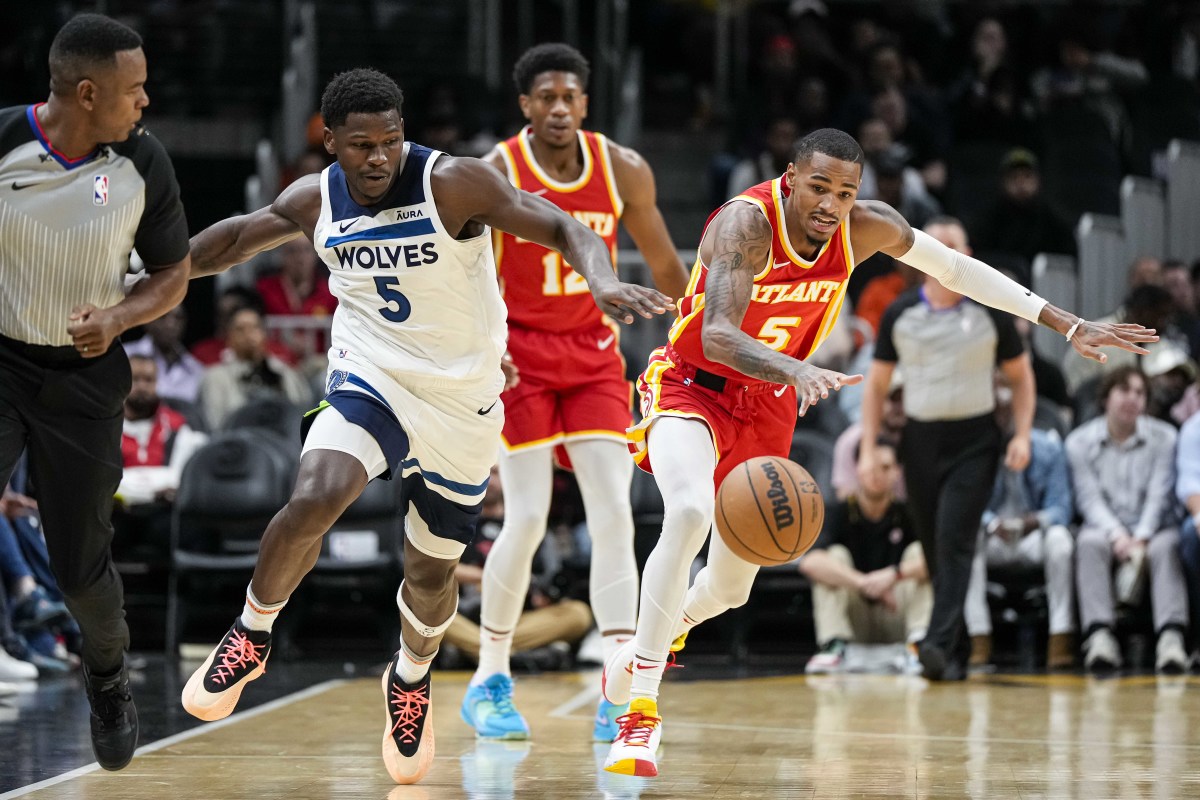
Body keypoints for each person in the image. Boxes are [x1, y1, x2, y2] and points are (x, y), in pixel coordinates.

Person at [599, 128, 1154, 778]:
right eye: (819, 187)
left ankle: (651, 640)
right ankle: (640, 712)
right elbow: (718, 333)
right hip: (695, 385)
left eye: (845, 192)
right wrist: (793, 367)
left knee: (729, 587)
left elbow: (955, 270)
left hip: (770, 403)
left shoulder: (867, 229)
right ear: (789, 177)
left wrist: (1064, 321)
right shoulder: (746, 224)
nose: (831, 204)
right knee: (689, 511)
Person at [178, 68, 669, 786]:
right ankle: (252, 633)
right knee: (316, 493)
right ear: (331, 143)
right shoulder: (316, 198)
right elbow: (225, 244)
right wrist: (140, 283)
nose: (378, 157)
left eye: (390, 140)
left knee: (430, 568)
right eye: (361, 145)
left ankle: (410, 678)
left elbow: (564, 224)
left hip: (461, 396)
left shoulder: (453, 183)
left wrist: (599, 280)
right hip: (370, 372)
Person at [464, 43, 689, 743]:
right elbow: (471, 274)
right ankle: (489, 678)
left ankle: (617, 688)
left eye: (570, 97)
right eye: (545, 98)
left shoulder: (622, 168)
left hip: (593, 355)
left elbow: (666, 266)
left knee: (614, 513)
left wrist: (698, 338)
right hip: (520, 358)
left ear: (584, 104)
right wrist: (483, 351)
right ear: (525, 106)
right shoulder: (498, 172)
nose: (559, 108)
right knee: (527, 518)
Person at [0, 14, 191, 771]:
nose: (144, 102)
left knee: (81, 569)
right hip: (3, 363)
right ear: (87, 92)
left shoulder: (145, 161)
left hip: (83, 382)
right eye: (133, 90)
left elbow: (173, 274)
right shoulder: (6, 139)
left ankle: (108, 678)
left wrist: (119, 317)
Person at [861, 218, 1039, 683]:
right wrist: (867, 448)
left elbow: (1020, 378)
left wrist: (1021, 434)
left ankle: (935, 645)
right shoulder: (900, 314)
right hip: (919, 441)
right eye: (936, 246)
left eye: (954, 246)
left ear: (968, 254)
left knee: (954, 537)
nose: (944, 253)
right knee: (935, 546)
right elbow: (876, 387)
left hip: (976, 441)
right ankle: (955, 648)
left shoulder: (991, 312)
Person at [1067, 367, 1188, 674]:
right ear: (1106, 398)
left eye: (1140, 393)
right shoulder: (1079, 442)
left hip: (1154, 527)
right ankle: (1099, 636)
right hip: (1107, 529)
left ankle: (1170, 638)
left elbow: (1159, 495)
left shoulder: (1166, 437)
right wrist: (1118, 535)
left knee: (1168, 545)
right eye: (1124, 391)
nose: (1132, 399)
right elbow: (1088, 499)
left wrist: (1143, 536)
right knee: (1088, 542)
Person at [963, 379, 1076, 671]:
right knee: (966, 537)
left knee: (1061, 540)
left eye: (1008, 411)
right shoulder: (976, 453)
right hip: (994, 539)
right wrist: (990, 524)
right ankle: (979, 637)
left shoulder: (1048, 447)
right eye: (996, 412)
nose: (1002, 419)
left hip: (1033, 538)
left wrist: (1034, 521)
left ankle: (1061, 637)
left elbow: (1062, 508)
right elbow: (967, 507)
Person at [800, 438, 930, 674]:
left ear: (898, 472)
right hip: (854, 616)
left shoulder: (909, 512)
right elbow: (810, 563)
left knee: (920, 553)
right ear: (857, 467)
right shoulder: (838, 511)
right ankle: (833, 645)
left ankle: (917, 645)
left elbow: (938, 562)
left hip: (896, 612)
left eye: (886, 467)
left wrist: (893, 576)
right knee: (832, 556)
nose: (877, 474)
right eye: (871, 466)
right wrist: (863, 583)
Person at [196, 305, 311, 429]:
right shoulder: (215, 378)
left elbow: (302, 415)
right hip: (239, 443)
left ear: (264, 334)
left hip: (285, 442)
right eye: (240, 329)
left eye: (254, 328)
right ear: (229, 338)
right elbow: (215, 426)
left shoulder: (285, 373)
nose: (248, 334)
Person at [123, 304, 204, 406]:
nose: (171, 324)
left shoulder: (196, 369)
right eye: (163, 316)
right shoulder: (124, 356)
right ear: (148, 320)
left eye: (178, 318)